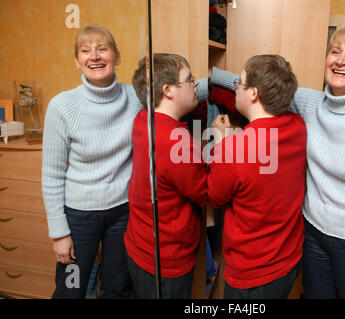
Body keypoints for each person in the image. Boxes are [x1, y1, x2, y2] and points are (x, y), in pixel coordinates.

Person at [209, 24, 345, 299]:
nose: (340, 60)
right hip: (311, 235)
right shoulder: (308, 103)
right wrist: (204, 82)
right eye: (335, 51)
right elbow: (259, 87)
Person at [42, 24, 142, 298]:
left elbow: (175, 89)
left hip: (123, 214)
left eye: (102, 49)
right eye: (85, 51)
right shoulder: (62, 106)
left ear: (117, 57)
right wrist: (59, 234)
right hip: (79, 218)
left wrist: (230, 83)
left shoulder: (134, 97)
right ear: (77, 60)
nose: (94, 56)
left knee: (117, 287)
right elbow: (51, 175)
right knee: (70, 288)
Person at [208, 54, 307, 298]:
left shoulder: (235, 147)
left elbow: (215, 196)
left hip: (253, 273)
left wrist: (221, 140)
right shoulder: (298, 126)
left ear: (253, 93)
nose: (235, 88)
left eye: (238, 83)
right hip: (289, 258)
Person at [124, 54, 208, 298]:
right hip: (167, 260)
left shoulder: (143, 119)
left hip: (140, 244)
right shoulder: (177, 142)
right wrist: (222, 144)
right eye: (190, 80)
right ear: (169, 90)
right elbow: (205, 193)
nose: (196, 85)